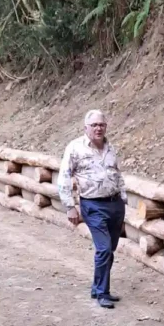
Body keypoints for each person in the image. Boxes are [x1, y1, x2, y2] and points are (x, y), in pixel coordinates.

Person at [57, 109, 127, 309]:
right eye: (94, 125)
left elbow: (117, 174)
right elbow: (64, 177)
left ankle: (97, 287)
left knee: (110, 249)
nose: (98, 128)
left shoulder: (110, 148)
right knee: (103, 248)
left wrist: (124, 198)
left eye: (101, 125)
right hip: (93, 204)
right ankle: (102, 293)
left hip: (115, 204)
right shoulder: (75, 148)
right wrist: (70, 206)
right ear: (85, 128)